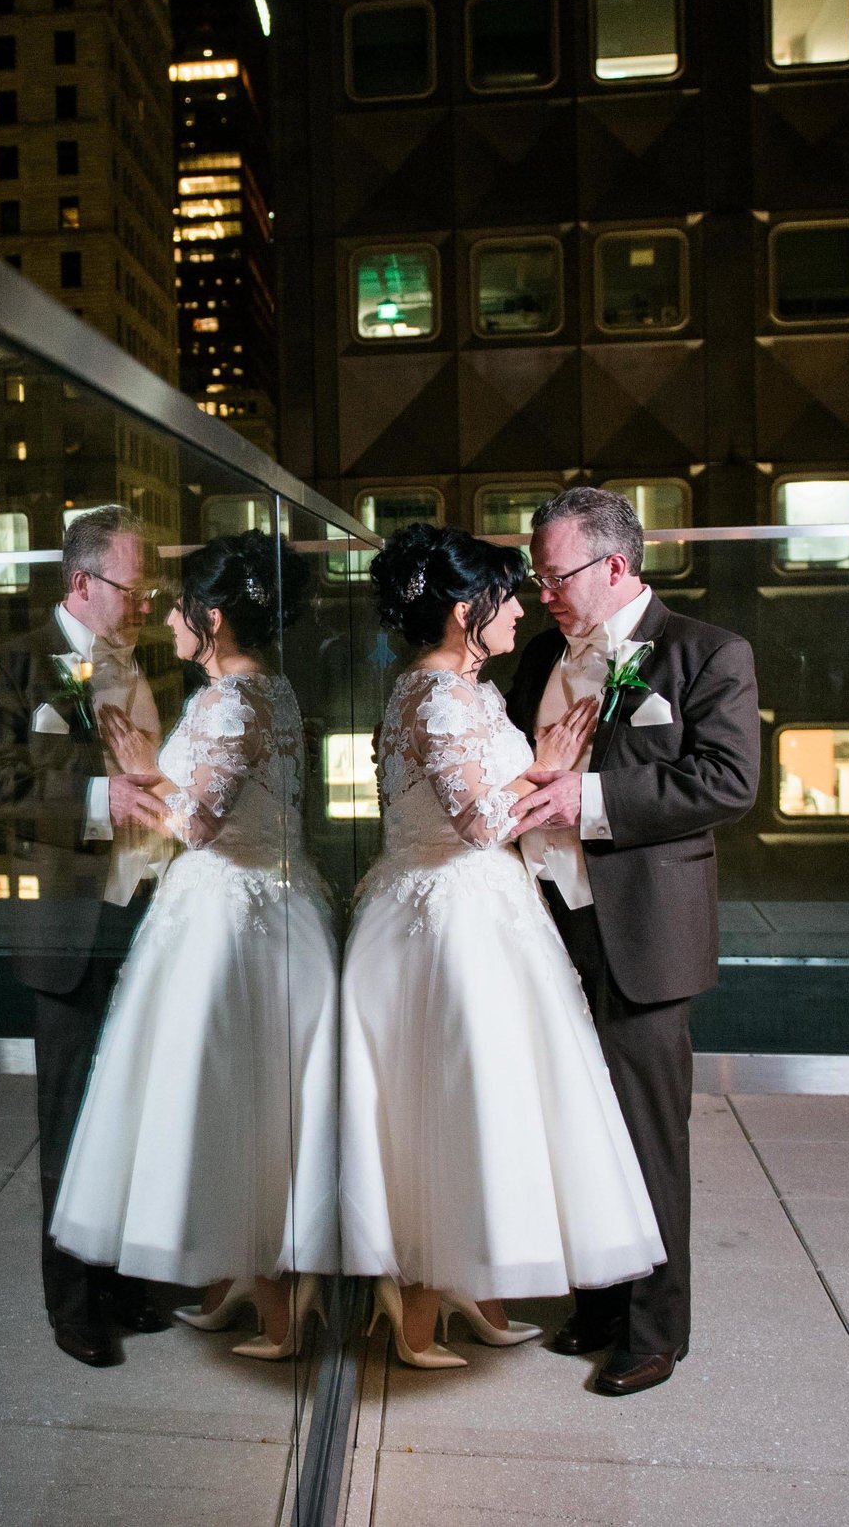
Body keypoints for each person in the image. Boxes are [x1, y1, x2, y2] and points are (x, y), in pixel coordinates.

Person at [338, 522, 665, 1370]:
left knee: (492, 1106)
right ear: (461, 610)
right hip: (443, 926)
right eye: (504, 596)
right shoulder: (436, 696)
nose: (520, 610)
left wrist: (538, 762)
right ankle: (415, 1304)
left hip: (485, 912)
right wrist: (544, 765)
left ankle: (470, 1288)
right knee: (446, 1106)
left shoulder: (469, 687)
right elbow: (483, 821)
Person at [48, 531, 338, 1362]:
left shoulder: (229, 701)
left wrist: (141, 769)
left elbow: (197, 824)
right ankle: (232, 1281)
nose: (166, 617)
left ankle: (277, 1307)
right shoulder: (267, 690)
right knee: (236, 1104)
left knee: (232, 1105)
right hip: (266, 905)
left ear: (210, 618)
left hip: (229, 920)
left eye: (177, 605)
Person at [503, 486, 760, 1396]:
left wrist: (592, 802)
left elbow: (727, 783)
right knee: (576, 1125)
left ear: (615, 566)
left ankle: (657, 1329)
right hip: (546, 925)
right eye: (536, 575)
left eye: (556, 572)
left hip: (644, 932)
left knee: (648, 1136)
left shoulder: (707, 653)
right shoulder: (539, 655)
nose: (543, 591)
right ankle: (600, 1305)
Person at [0, 506, 176, 1368]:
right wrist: (98, 802)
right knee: (70, 1121)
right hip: (67, 929)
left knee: (130, 1112)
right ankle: (74, 1302)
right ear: (81, 582)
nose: (140, 604)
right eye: (130, 588)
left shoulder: (139, 663)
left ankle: (125, 1279)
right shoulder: (12, 665)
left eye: (146, 589)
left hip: (145, 917)